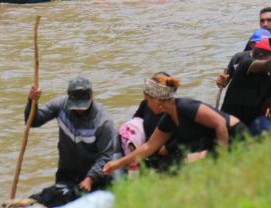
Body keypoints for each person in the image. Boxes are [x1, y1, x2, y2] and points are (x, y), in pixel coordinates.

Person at [102, 73, 247, 174]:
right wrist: (118, 164)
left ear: (158, 100)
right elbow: (148, 147)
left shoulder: (185, 106)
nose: (146, 104)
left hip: (234, 137)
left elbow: (220, 123)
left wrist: (223, 159)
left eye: (148, 100)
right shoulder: (169, 119)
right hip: (212, 144)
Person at [25, 77, 120, 207]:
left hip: (93, 180)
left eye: (83, 106)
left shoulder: (103, 122)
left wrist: (90, 178)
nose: (79, 110)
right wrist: (32, 101)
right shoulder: (61, 106)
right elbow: (33, 121)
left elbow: (106, 156)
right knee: (50, 198)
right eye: (76, 106)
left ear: (91, 97)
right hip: (66, 175)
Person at [217, 38, 271, 136]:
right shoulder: (245, 64)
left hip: (254, 119)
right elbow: (267, 64)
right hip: (231, 119)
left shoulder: (270, 72)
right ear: (261, 56)